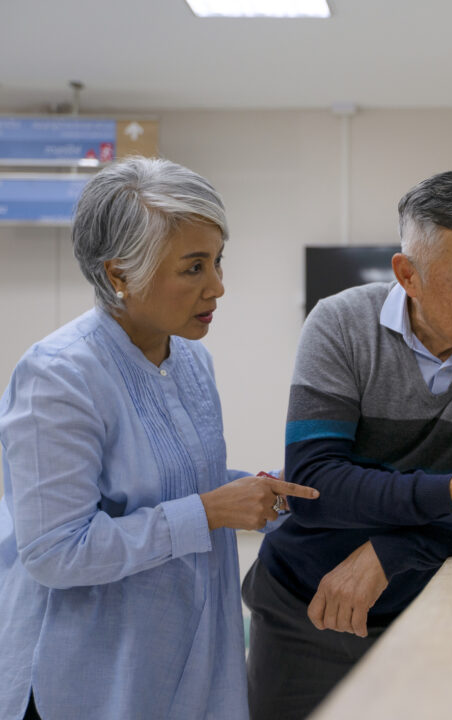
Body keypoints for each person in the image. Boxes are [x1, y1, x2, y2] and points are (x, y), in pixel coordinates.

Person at [243, 169, 452, 720]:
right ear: (408, 276)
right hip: (305, 609)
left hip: (441, 610)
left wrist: (395, 552)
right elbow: (314, 482)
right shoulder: (340, 325)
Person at [0, 156, 318, 720]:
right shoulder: (59, 375)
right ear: (119, 275)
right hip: (86, 679)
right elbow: (56, 552)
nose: (218, 286)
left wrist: (251, 492)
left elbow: (165, 485)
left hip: (181, 662)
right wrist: (211, 511)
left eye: (218, 261)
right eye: (193, 268)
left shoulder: (193, 360)